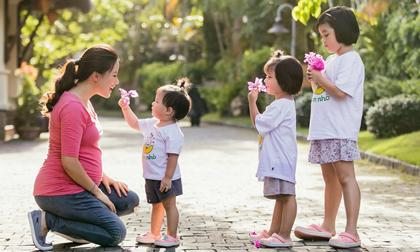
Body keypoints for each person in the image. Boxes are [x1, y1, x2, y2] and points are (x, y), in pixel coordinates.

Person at [28, 44, 140, 251]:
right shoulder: (72, 106)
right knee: (116, 233)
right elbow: (68, 161)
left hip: (79, 186)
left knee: (129, 199)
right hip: (59, 191)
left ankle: (81, 226)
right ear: (96, 76)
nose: (116, 82)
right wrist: (98, 193)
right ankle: (47, 221)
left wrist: (105, 177)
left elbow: (84, 151)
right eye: (113, 75)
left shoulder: (84, 101)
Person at [294, 6, 364, 249]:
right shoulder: (332, 61)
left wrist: (321, 78)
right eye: (321, 35)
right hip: (324, 129)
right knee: (330, 180)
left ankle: (351, 231)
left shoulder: (351, 60)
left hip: (340, 130)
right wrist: (315, 80)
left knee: (346, 178)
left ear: (342, 31)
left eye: (326, 34)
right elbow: (323, 92)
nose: (323, 39)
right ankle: (328, 226)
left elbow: (341, 92)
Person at [118, 78, 191, 247]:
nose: (153, 103)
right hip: (151, 175)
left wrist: (167, 178)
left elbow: (173, 157)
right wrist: (125, 107)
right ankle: (154, 233)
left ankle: (172, 236)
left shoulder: (173, 132)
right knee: (156, 205)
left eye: (157, 101)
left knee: (169, 205)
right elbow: (134, 124)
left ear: (169, 111)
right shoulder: (153, 123)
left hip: (166, 178)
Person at [248, 50, 303, 248]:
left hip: (280, 160)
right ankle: (275, 231)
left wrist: (252, 103)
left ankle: (284, 235)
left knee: (287, 196)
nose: (265, 80)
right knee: (281, 198)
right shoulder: (281, 104)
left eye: (270, 77)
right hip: (279, 160)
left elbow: (259, 124)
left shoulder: (281, 106)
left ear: (284, 80)